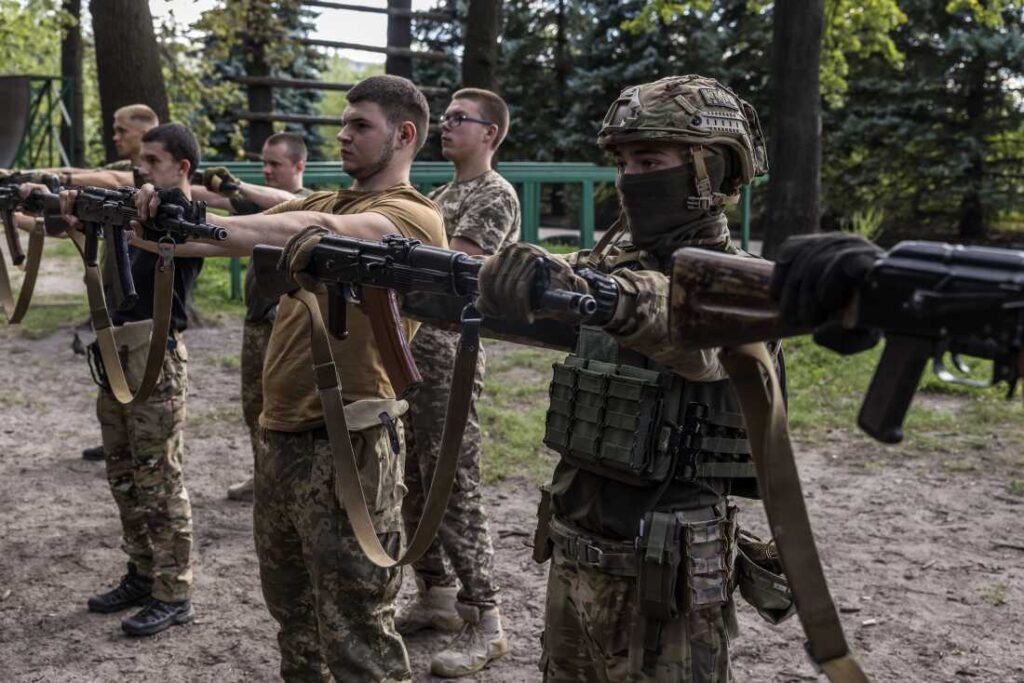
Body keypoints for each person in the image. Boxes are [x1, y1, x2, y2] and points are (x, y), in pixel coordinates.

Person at [130, 75, 445, 682]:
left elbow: (299, 232)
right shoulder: (333, 201)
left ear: (404, 135)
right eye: (343, 123)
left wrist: (206, 225)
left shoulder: (410, 218)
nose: (344, 135)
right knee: (295, 624)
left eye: (360, 125)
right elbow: (259, 222)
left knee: (358, 637)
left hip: (348, 445)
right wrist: (170, 218)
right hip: (283, 439)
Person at [475, 75, 779, 681]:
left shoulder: (748, 286)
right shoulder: (604, 267)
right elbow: (548, 292)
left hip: (665, 583)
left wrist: (600, 295)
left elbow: (692, 336)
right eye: (621, 161)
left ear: (710, 170)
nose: (627, 178)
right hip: (575, 558)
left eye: (648, 160)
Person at [51, 123, 204, 636]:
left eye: (153, 161)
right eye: (140, 160)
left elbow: (175, 221)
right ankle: (142, 572)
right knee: (123, 474)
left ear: (182, 167)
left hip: (156, 358)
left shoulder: (184, 212)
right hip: (117, 355)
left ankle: (174, 591)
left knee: (160, 479)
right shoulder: (136, 211)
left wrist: (144, 199)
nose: (142, 169)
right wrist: (79, 218)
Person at [396, 88, 520, 678]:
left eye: (458, 119)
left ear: (489, 133)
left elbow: (458, 266)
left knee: (453, 482)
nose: (445, 126)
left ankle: (487, 620)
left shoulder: (493, 194)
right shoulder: (443, 193)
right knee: (415, 480)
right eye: (443, 117)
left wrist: (396, 250)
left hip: (451, 348)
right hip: (415, 344)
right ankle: (437, 597)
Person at [190, 132, 315, 502]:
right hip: (258, 321)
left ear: (299, 166)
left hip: (289, 324)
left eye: (275, 164)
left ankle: (290, 483)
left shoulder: (310, 205)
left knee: (288, 409)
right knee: (254, 406)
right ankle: (264, 476)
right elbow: (213, 200)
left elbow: (290, 202)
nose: (267, 170)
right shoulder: (261, 207)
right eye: (264, 163)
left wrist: (238, 184)